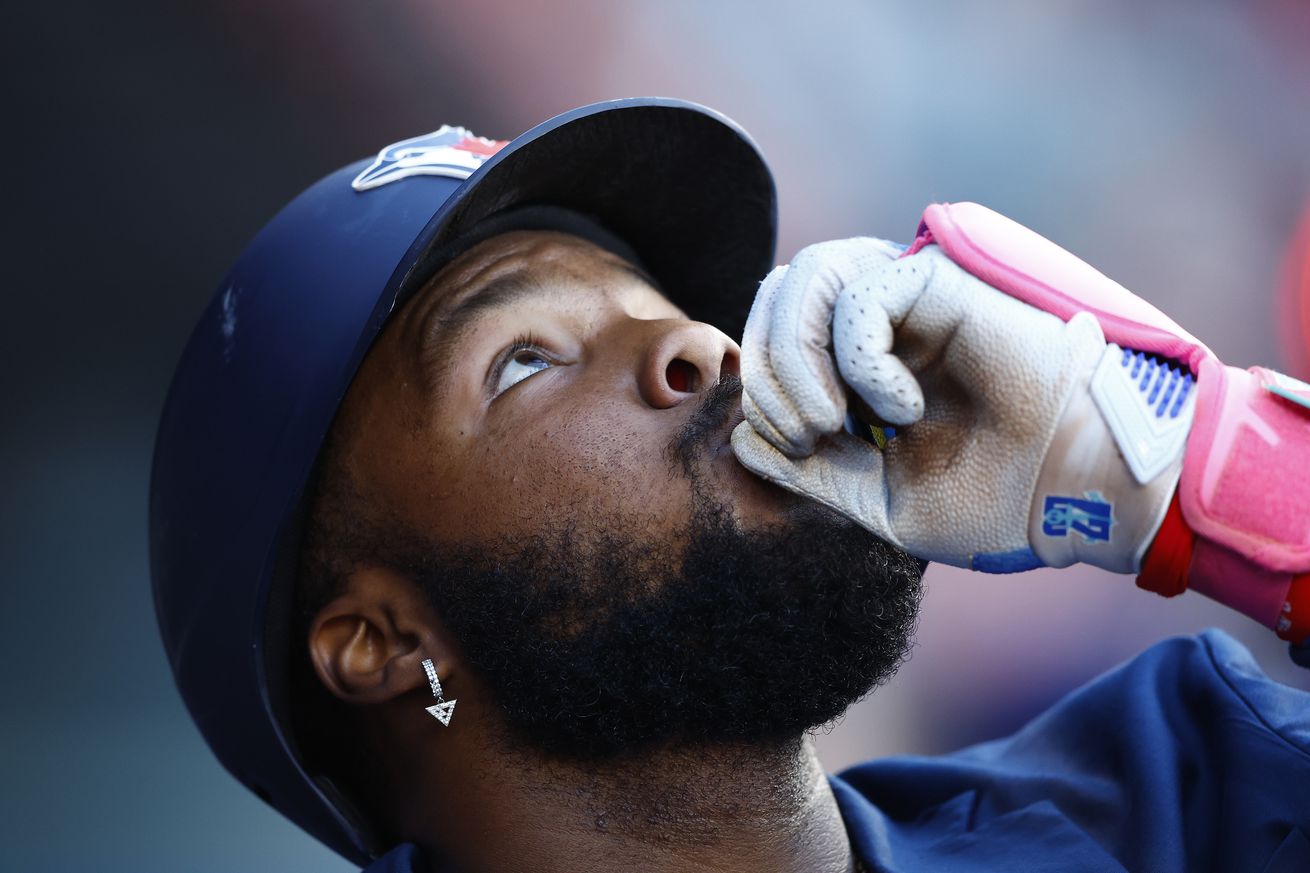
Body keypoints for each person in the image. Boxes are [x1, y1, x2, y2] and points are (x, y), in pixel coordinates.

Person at [151, 99, 1310, 873]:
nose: (704, 347)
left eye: (658, 304)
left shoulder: (1185, 794)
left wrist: (1206, 482)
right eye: (524, 362)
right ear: (386, 644)